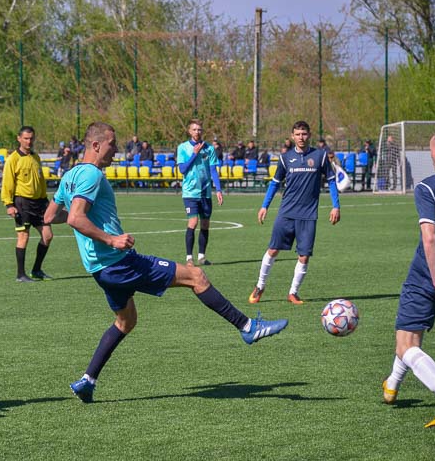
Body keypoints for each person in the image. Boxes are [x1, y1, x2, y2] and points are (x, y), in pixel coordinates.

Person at [44, 122, 288, 403]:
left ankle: (88, 380)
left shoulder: (71, 175)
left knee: (126, 322)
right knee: (196, 276)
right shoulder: (91, 175)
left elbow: (52, 216)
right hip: (119, 262)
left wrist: (89, 223)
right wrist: (111, 239)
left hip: (100, 270)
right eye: (112, 143)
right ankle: (247, 327)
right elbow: (75, 217)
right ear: (96, 145)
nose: (117, 149)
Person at [381, 129, 435, 428]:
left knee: (407, 343)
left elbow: (430, 237)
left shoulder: (429, 186)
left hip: (429, 273)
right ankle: (391, 385)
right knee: (409, 335)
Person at [248, 120, 340, 305]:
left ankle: (293, 293)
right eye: (297, 134)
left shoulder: (320, 156)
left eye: (304, 134)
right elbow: (274, 183)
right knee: (273, 250)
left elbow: (331, 180)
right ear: (292, 136)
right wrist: (264, 205)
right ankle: (260, 286)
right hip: (286, 212)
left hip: (308, 214)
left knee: (304, 255)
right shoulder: (284, 158)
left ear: (309, 135)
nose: (301, 137)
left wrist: (335, 205)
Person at [1, 126, 54, 282]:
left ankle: (36, 270)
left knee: (48, 235)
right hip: (22, 203)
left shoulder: (36, 157)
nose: (29, 141)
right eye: (26, 138)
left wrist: (46, 200)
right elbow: (7, 183)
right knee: (23, 236)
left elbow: (41, 181)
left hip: (40, 203)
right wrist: (8, 204)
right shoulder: (13, 159)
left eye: (31, 138)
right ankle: (20, 274)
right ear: (19, 139)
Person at [176, 119, 223, 266]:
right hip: (190, 193)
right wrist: (194, 154)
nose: (197, 132)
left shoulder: (209, 148)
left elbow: (213, 170)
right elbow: (182, 169)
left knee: (205, 224)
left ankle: (202, 256)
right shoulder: (183, 148)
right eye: (194, 129)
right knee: (193, 222)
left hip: (205, 192)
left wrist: (219, 189)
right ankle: (189, 258)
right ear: (189, 131)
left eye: (199, 129)